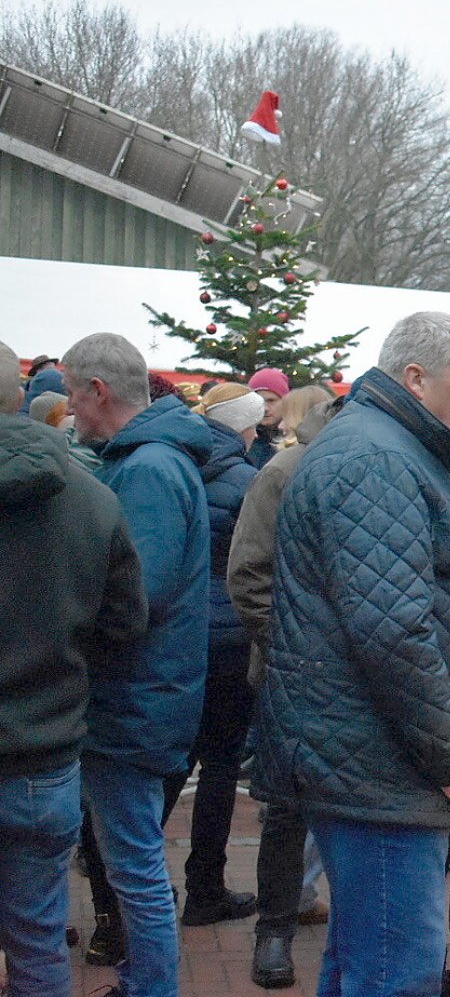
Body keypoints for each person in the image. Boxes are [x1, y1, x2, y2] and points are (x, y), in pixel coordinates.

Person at [252, 312, 450, 997]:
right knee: (394, 972)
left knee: (364, 961)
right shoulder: (376, 459)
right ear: (416, 378)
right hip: (384, 772)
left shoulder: (395, 450)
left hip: (379, 766)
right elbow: (391, 633)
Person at [61, 332, 212, 997]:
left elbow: (135, 595)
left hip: (135, 698)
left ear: (98, 391)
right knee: (133, 861)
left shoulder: (148, 468)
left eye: (71, 393)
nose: (68, 410)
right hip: (149, 691)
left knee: (135, 868)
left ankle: (151, 986)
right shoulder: (151, 459)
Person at [0, 339, 146, 997]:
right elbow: (124, 624)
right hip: (45, 754)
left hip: (44, 749)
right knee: (37, 939)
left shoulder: (93, 495)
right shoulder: (93, 499)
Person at [228, 394, 344, 989]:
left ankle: (341, 927)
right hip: (291, 676)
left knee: (355, 806)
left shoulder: (388, 466)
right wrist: (300, 654)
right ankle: (274, 930)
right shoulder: (284, 472)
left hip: (365, 678)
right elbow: (248, 577)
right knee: (286, 807)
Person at [166, 383, 264, 927]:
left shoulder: (177, 468)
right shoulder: (247, 480)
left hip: (178, 636)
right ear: (247, 428)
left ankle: (123, 893)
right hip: (228, 643)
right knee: (221, 767)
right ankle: (205, 885)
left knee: (170, 765)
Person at [245, 367, 291, 467]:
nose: (265, 408)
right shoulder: (244, 440)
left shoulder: (295, 439)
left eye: (271, 400)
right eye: (258, 401)